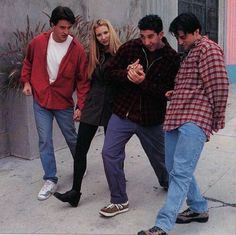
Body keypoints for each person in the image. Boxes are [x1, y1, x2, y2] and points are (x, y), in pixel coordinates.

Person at [137, 13, 229, 235]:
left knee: (179, 172)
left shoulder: (208, 49)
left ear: (196, 31)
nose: (180, 41)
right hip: (177, 116)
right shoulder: (189, 53)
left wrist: (215, 119)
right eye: (177, 37)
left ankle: (163, 224)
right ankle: (198, 208)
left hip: (195, 118)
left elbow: (219, 86)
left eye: (183, 36)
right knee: (174, 167)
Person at [99, 14, 180, 217]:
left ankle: (168, 183)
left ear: (161, 34)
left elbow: (168, 92)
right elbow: (107, 72)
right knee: (109, 153)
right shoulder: (131, 47)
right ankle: (119, 200)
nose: (146, 42)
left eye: (151, 37)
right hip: (122, 113)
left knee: (162, 160)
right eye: (143, 36)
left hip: (151, 119)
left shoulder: (171, 58)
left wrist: (142, 82)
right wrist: (126, 74)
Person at [21, 6, 90, 201]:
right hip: (41, 99)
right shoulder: (38, 42)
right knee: (44, 140)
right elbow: (28, 62)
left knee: (71, 137)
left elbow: (83, 81)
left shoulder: (76, 50)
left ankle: (79, 164)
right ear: (52, 25)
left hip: (63, 102)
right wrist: (26, 82)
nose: (66, 32)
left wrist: (80, 106)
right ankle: (50, 179)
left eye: (69, 28)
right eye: (62, 27)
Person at [53, 19, 121, 207]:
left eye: (105, 33)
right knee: (81, 148)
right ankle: (75, 193)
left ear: (111, 32)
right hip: (92, 106)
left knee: (112, 151)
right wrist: (80, 106)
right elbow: (85, 83)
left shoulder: (122, 53)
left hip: (113, 107)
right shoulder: (93, 55)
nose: (103, 37)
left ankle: (117, 184)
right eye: (99, 35)